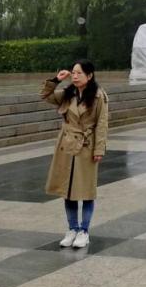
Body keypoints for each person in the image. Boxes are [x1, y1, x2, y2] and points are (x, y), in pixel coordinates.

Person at [41, 60, 109, 249]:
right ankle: (72, 228)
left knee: (86, 191)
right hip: (66, 145)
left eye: (79, 73)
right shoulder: (68, 93)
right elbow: (45, 95)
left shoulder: (98, 95)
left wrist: (99, 149)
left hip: (86, 147)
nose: (75, 76)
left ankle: (84, 231)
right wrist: (56, 80)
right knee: (68, 191)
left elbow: (102, 124)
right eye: (73, 72)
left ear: (90, 75)